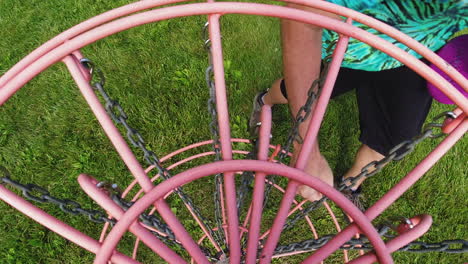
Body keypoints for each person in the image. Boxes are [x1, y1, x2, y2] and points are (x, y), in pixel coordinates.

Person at [249, 0, 467, 203]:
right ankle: (264, 101)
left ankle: (349, 186)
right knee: (297, 91)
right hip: (353, 46)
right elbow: (304, 14)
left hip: (418, 51)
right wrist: (306, 148)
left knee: (394, 138)